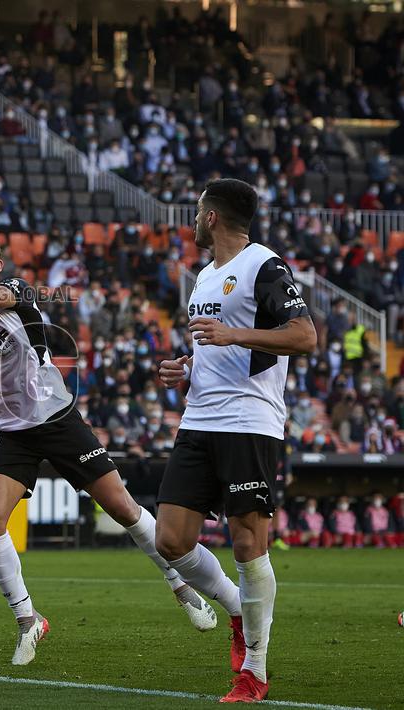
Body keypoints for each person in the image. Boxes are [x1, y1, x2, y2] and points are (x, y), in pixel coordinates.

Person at [0, 229, 216, 666]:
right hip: (11, 429)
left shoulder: (14, 289)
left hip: (56, 418)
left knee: (124, 509)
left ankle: (179, 583)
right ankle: (27, 618)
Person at [154, 179, 316, 702]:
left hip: (249, 421)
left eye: (198, 211)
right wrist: (186, 367)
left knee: (249, 543)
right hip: (199, 418)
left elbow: (304, 336)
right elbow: (215, 346)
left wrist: (235, 335)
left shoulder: (264, 265)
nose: (195, 220)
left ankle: (255, 670)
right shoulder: (204, 277)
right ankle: (239, 613)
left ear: (213, 218)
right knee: (171, 540)